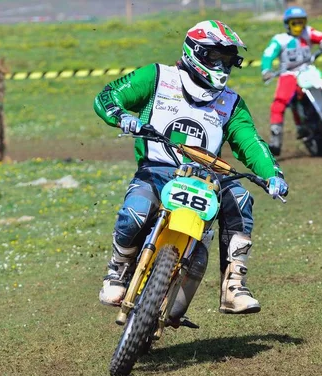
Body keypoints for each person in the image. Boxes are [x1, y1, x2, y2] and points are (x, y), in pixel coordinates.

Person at [93, 20, 288, 317]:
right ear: (195, 51)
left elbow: (249, 141)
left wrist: (272, 174)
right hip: (157, 170)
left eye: (228, 60)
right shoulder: (156, 77)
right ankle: (118, 269)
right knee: (136, 212)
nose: (222, 67)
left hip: (208, 177)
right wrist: (120, 116)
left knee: (240, 199)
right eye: (216, 58)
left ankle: (234, 284)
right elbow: (108, 96)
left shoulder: (232, 103)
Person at [261, 6, 322, 156]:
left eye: (301, 22)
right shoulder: (280, 39)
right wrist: (266, 70)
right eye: (294, 23)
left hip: (308, 71)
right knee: (279, 103)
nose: (298, 26)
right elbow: (268, 54)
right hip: (288, 74)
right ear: (287, 24)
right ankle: (276, 139)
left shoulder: (308, 32)